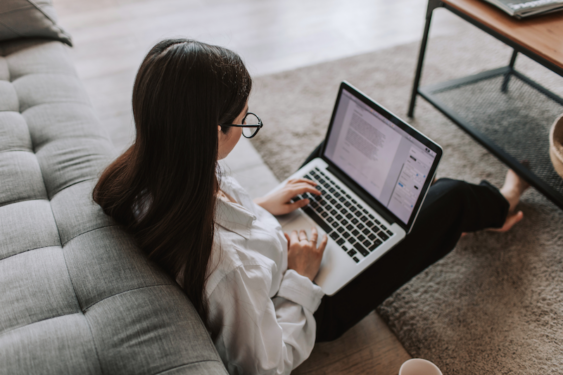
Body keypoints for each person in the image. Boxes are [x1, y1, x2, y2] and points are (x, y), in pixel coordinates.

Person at [93, 39, 529, 374]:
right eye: (244, 121)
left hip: (273, 247)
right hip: (309, 301)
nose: (248, 124)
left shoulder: (154, 170)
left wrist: (261, 207)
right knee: (450, 197)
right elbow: (268, 364)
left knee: (332, 160)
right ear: (210, 132)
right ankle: (501, 205)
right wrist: (300, 278)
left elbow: (216, 220)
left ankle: (405, 197)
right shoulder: (226, 269)